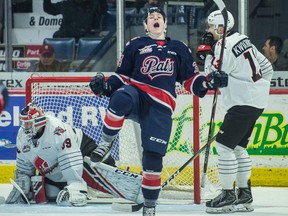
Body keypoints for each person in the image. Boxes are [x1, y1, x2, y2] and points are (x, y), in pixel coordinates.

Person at [89, 7, 228, 216]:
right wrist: (106, 86)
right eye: (151, 17)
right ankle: (106, 143)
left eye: (159, 17)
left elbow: (191, 80)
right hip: (136, 94)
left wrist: (209, 82)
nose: (155, 19)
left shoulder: (179, 48)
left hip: (161, 106)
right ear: (146, 25)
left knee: (153, 158)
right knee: (119, 97)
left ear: (165, 24)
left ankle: (150, 206)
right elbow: (122, 76)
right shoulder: (135, 45)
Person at [196, 10, 273, 213]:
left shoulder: (223, 46)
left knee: (223, 146)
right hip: (255, 101)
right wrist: (259, 87)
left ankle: (228, 195)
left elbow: (211, 76)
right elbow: (266, 68)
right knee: (238, 148)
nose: (208, 31)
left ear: (221, 29)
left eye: (211, 27)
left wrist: (208, 53)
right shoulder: (243, 39)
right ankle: (245, 195)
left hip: (242, 102)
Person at [5, 102, 145, 206]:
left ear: (38, 122)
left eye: (28, 124)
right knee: (52, 194)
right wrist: (23, 185)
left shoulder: (57, 130)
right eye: (24, 123)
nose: (25, 127)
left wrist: (75, 185)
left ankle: (145, 186)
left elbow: (70, 160)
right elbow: (24, 166)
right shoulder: (22, 136)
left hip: (82, 147)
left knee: (104, 169)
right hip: (56, 168)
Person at [43, 0, 108, 42]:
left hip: (87, 35)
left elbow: (103, 9)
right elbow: (49, 9)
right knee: (57, 36)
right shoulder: (66, 4)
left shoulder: (94, 3)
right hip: (67, 35)